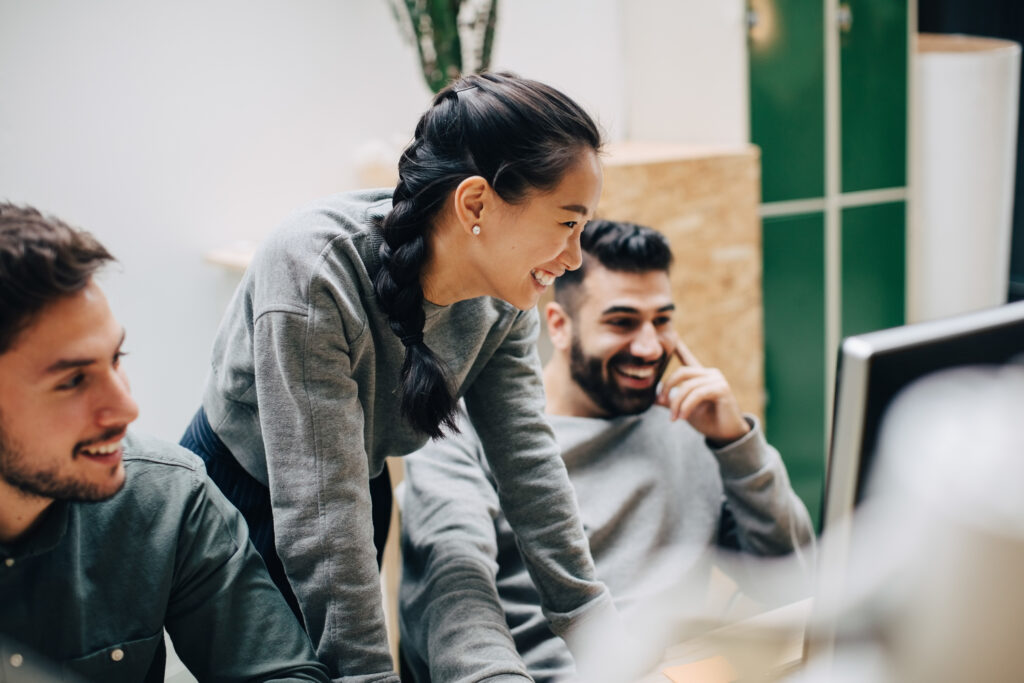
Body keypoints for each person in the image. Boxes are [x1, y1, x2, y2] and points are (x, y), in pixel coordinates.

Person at [180, 72, 616, 680]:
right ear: (475, 205)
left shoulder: (508, 295)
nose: (575, 258)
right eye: (568, 223)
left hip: (357, 479)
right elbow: (319, 516)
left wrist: (608, 641)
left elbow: (528, 465)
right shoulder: (314, 272)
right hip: (242, 495)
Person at [399, 220, 815, 681]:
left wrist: (735, 443)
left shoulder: (690, 426)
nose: (648, 346)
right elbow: (450, 612)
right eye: (621, 322)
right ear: (558, 326)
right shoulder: (460, 434)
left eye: (662, 320)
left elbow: (795, 583)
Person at [0, 204, 329, 683]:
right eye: (72, 381)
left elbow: (282, 675)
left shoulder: (168, 495)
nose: (126, 408)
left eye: (115, 359)